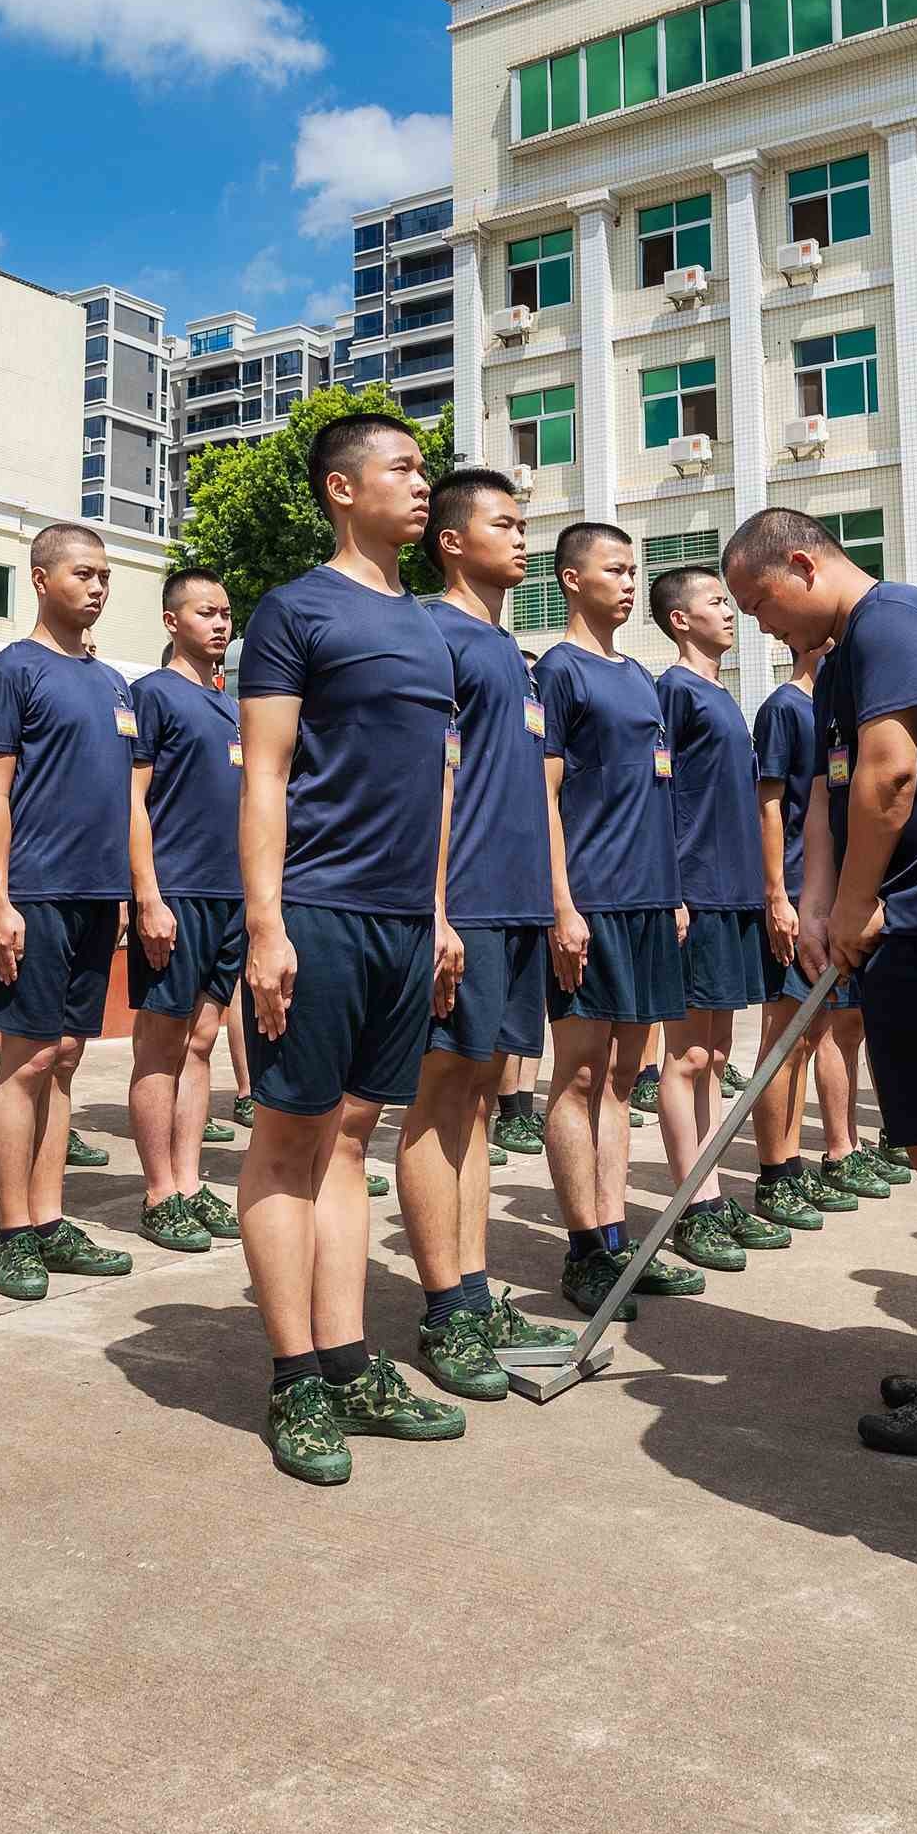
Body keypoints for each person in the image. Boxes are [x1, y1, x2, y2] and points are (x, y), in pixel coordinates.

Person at [723, 510, 917, 1462]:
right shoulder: (840, 659)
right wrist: (820, 902)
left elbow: (891, 776)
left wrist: (865, 902)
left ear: (802, 562)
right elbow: (836, 794)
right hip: (887, 928)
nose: (761, 626)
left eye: (762, 602)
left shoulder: (892, 621)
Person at [238, 413, 470, 1483]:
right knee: (291, 1139)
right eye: (404, 468)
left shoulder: (428, 626)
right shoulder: (294, 610)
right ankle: (295, 1381)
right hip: (318, 911)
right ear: (342, 489)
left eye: (425, 470)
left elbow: (434, 785)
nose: (423, 485)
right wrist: (267, 925)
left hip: (399, 922)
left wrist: (433, 916)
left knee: (352, 1142)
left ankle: (346, 1355)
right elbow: (267, 775)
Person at [407, 470, 582, 1401]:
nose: (522, 541)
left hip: (514, 905)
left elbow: (538, 792)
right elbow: (427, 784)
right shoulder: (432, 635)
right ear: (450, 540)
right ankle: (443, 1307)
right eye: (504, 526)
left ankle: (472, 1290)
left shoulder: (511, 652)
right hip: (463, 903)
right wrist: (433, 910)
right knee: (440, 1100)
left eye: (525, 526)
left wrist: (554, 901)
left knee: (478, 1102)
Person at [533, 524, 701, 1317]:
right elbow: (545, 797)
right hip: (591, 903)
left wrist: (670, 893)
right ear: (571, 579)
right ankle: (583, 1249)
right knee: (577, 1073)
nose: (631, 583)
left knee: (623, 1079)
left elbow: (657, 792)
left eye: (637, 570)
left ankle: (616, 1237)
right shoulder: (560, 671)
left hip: (646, 903)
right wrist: (562, 904)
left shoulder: (639, 675)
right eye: (615, 570)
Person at [0, 524, 141, 1300]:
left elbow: (129, 800)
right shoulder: (11, 671)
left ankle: (48, 1217)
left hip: (96, 894)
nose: (99, 586)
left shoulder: (112, 685)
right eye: (83, 573)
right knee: (28, 1057)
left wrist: (134, 890)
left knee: (66, 1056)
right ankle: (11, 1232)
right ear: (41, 580)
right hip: (33, 894)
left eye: (105, 575)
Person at [651, 563, 788, 1268]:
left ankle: (706, 1190)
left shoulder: (721, 694)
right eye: (714, 601)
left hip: (734, 893)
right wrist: (673, 889)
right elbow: (662, 798)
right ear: (680, 619)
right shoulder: (673, 691)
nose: (730, 611)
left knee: (717, 1056)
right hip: (697, 892)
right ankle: (690, 1205)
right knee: (687, 1055)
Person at [124, 568, 247, 1253]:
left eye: (227, 613)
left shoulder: (232, 708)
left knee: (201, 1043)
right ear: (173, 621)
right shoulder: (152, 696)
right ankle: (158, 1191)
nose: (221, 624)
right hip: (176, 894)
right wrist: (147, 894)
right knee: (161, 1045)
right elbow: (131, 800)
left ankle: (192, 1184)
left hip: (229, 897)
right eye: (207, 612)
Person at [749, 647, 876, 1229]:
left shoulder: (834, 713)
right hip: (799, 895)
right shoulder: (783, 708)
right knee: (786, 1035)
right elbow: (770, 808)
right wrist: (778, 895)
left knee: (816, 1033)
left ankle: (810, 1158)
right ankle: (776, 1174)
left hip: (831, 899)